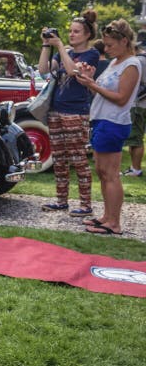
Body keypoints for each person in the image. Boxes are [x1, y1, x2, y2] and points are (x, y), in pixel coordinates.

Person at [75, 19, 142, 235]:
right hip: (102, 120)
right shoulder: (115, 63)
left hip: (114, 122)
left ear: (124, 41)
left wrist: (92, 84)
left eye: (111, 45)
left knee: (111, 174)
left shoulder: (132, 64)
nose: (107, 49)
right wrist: (89, 80)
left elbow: (122, 98)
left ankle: (114, 223)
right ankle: (107, 216)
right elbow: (102, 92)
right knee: (102, 172)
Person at [38, 10, 99, 217]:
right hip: (56, 110)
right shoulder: (63, 52)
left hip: (76, 112)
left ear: (87, 34)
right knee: (59, 159)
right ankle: (61, 201)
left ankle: (85, 204)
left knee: (78, 158)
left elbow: (74, 71)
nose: (72, 35)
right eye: (70, 31)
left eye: (76, 32)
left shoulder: (91, 54)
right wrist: (46, 45)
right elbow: (43, 70)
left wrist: (61, 47)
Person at [120, 43, 146, 177]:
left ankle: (136, 169)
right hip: (140, 105)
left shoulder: (140, 61)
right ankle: (134, 168)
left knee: (135, 138)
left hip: (138, 105)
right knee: (135, 138)